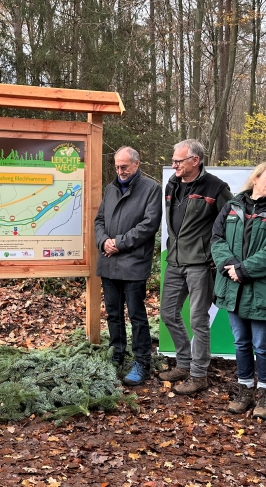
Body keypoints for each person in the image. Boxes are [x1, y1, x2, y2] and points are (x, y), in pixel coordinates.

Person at [211, 162, 266, 420]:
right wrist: (230, 267)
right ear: (256, 178)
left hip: (262, 289)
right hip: (233, 287)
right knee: (241, 342)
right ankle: (245, 388)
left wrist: (243, 270)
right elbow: (217, 239)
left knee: (262, 345)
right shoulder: (232, 206)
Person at [159, 139, 233, 395]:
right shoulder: (172, 184)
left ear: (195, 160)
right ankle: (183, 363)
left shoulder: (216, 187)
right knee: (168, 313)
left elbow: (230, 226)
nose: (174, 165)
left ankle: (199, 374)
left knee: (198, 320)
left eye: (178, 161)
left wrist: (217, 255)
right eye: (173, 160)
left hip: (200, 265)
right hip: (175, 260)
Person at [94, 147, 162, 386]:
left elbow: (149, 225)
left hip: (133, 262)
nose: (120, 171)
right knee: (113, 313)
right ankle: (117, 354)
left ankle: (142, 361)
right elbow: (100, 220)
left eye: (125, 167)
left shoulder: (151, 189)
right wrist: (103, 241)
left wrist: (119, 243)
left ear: (136, 164)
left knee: (136, 314)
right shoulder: (110, 188)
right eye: (117, 167)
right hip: (109, 261)